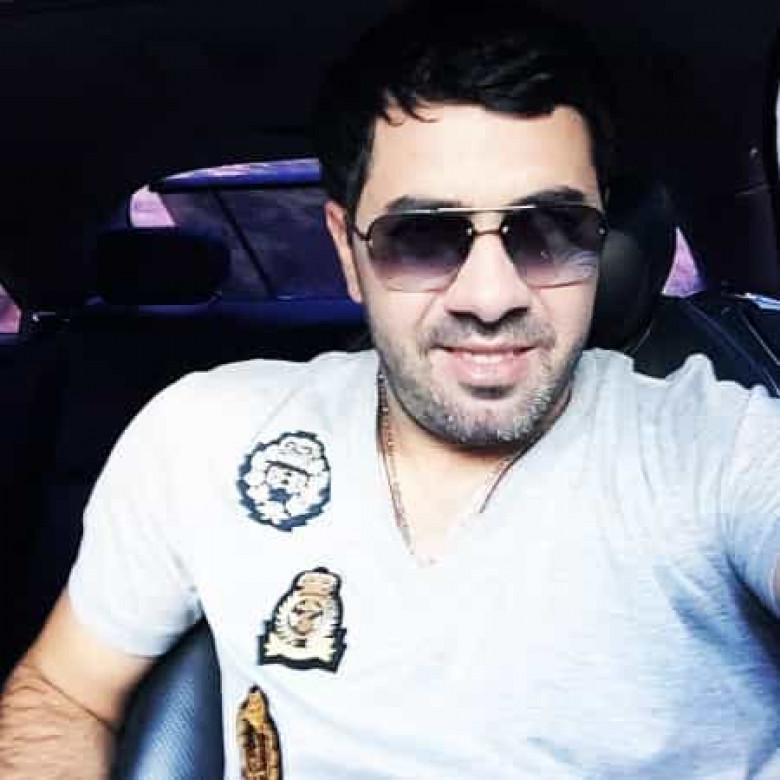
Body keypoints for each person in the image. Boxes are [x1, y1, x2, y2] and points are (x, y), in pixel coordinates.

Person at [2, 1, 780, 778]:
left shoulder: (716, 445)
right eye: (423, 237)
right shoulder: (200, 436)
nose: (489, 296)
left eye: (548, 231)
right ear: (348, 251)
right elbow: (64, 693)